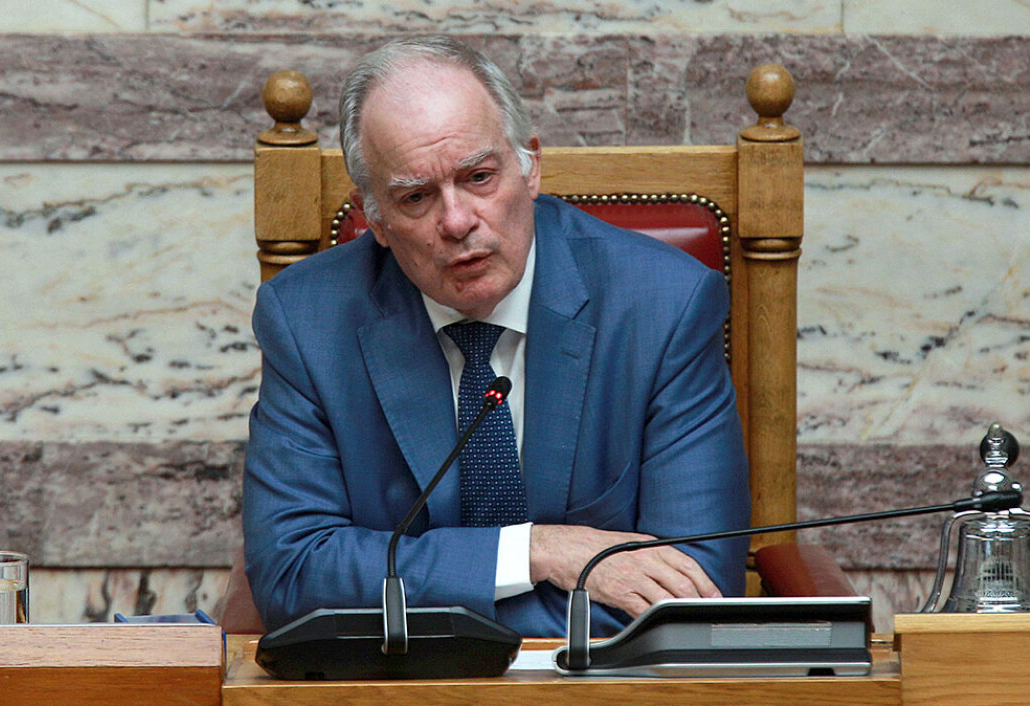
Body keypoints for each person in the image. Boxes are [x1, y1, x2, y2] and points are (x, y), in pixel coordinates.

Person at [243, 36, 749, 638]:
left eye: (479, 177)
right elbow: (294, 575)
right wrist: (535, 553)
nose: (457, 222)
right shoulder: (307, 320)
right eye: (415, 196)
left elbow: (691, 591)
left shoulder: (663, 305)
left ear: (530, 166)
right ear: (374, 216)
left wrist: (431, 604)